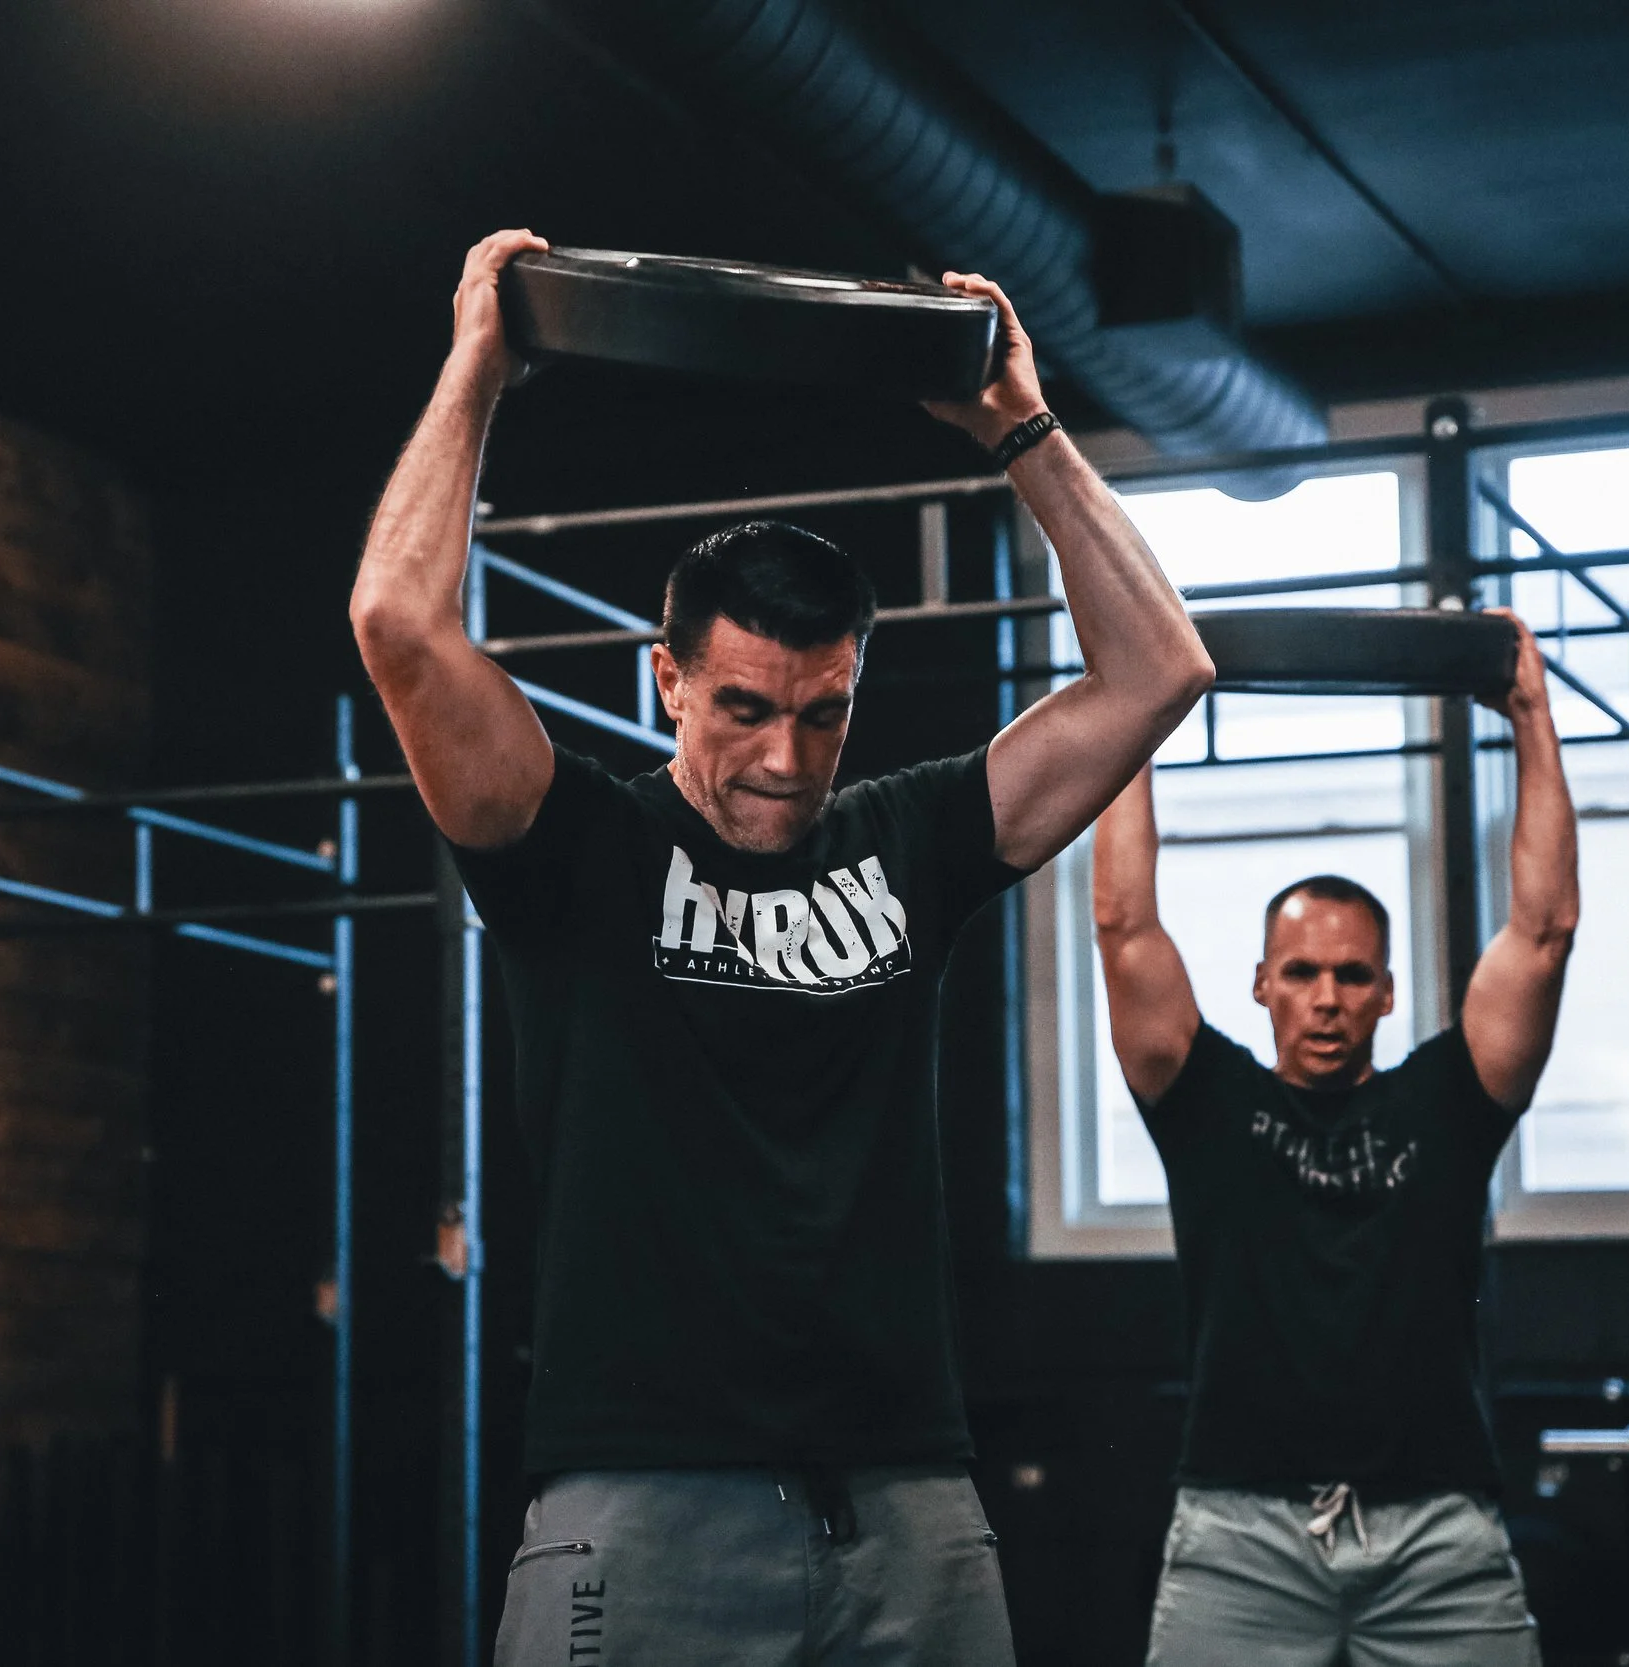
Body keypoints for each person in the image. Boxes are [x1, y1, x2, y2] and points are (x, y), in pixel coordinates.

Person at [350, 228, 1214, 1664]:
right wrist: (480, 367)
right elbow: (396, 618)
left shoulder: (910, 840)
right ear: (668, 677)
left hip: (908, 1503)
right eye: (743, 706)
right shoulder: (578, 849)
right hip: (641, 1498)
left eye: (822, 713)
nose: (782, 756)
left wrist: (1026, 431)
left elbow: (1161, 669)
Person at [1091, 613, 1578, 1667]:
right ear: (1260, 983)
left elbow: (1541, 933)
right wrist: (1138, 709)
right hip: (1237, 1533)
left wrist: (1530, 713)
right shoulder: (1204, 1100)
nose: (1325, 998)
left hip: (1438, 1534)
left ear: (1388, 993)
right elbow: (1124, 923)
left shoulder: (1449, 1099)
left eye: (1352, 975)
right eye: (1300, 972)